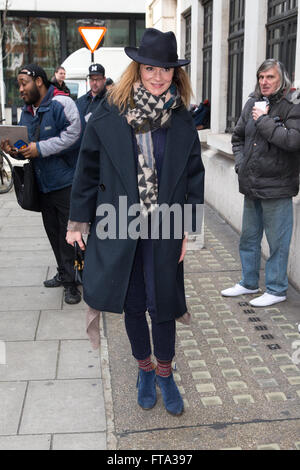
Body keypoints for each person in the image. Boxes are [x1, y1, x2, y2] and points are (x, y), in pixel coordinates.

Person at [66, 28, 205, 416]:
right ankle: (144, 369)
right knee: (131, 301)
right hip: (118, 222)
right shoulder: (109, 112)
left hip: (164, 225)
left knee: (162, 302)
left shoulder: (181, 119)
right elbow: (87, 170)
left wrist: (189, 231)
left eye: (165, 69)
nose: (158, 76)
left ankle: (165, 372)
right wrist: (77, 221)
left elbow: (194, 176)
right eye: (149, 68)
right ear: (137, 70)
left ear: (175, 74)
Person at [0, 64, 82, 305]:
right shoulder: (27, 112)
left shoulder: (62, 102)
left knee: (69, 236)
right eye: (18, 85)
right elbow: (25, 149)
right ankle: (64, 272)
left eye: (24, 83)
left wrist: (39, 148)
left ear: (38, 81)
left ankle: (72, 284)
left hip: (66, 182)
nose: (21, 89)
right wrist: (14, 150)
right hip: (43, 184)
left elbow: (75, 135)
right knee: (53, 233)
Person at [221, 59, 300, 307]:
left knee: (277, 242)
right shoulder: (252, 102)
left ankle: (276, 289)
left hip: (277, 187)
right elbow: (237, 137)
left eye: (270, 77)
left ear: (282, 79)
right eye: (261, 77)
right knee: (249, 238)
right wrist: (240, 164)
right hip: (252, 184)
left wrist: (265, 120)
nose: (264, 82)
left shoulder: (292, 105)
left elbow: (292, 142)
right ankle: (248, 282)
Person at [76, 63, 106, 128]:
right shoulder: (80, 101)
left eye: (97, 79)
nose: (94, 83)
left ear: (104, 79)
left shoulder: (110, 101)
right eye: (92, 79)